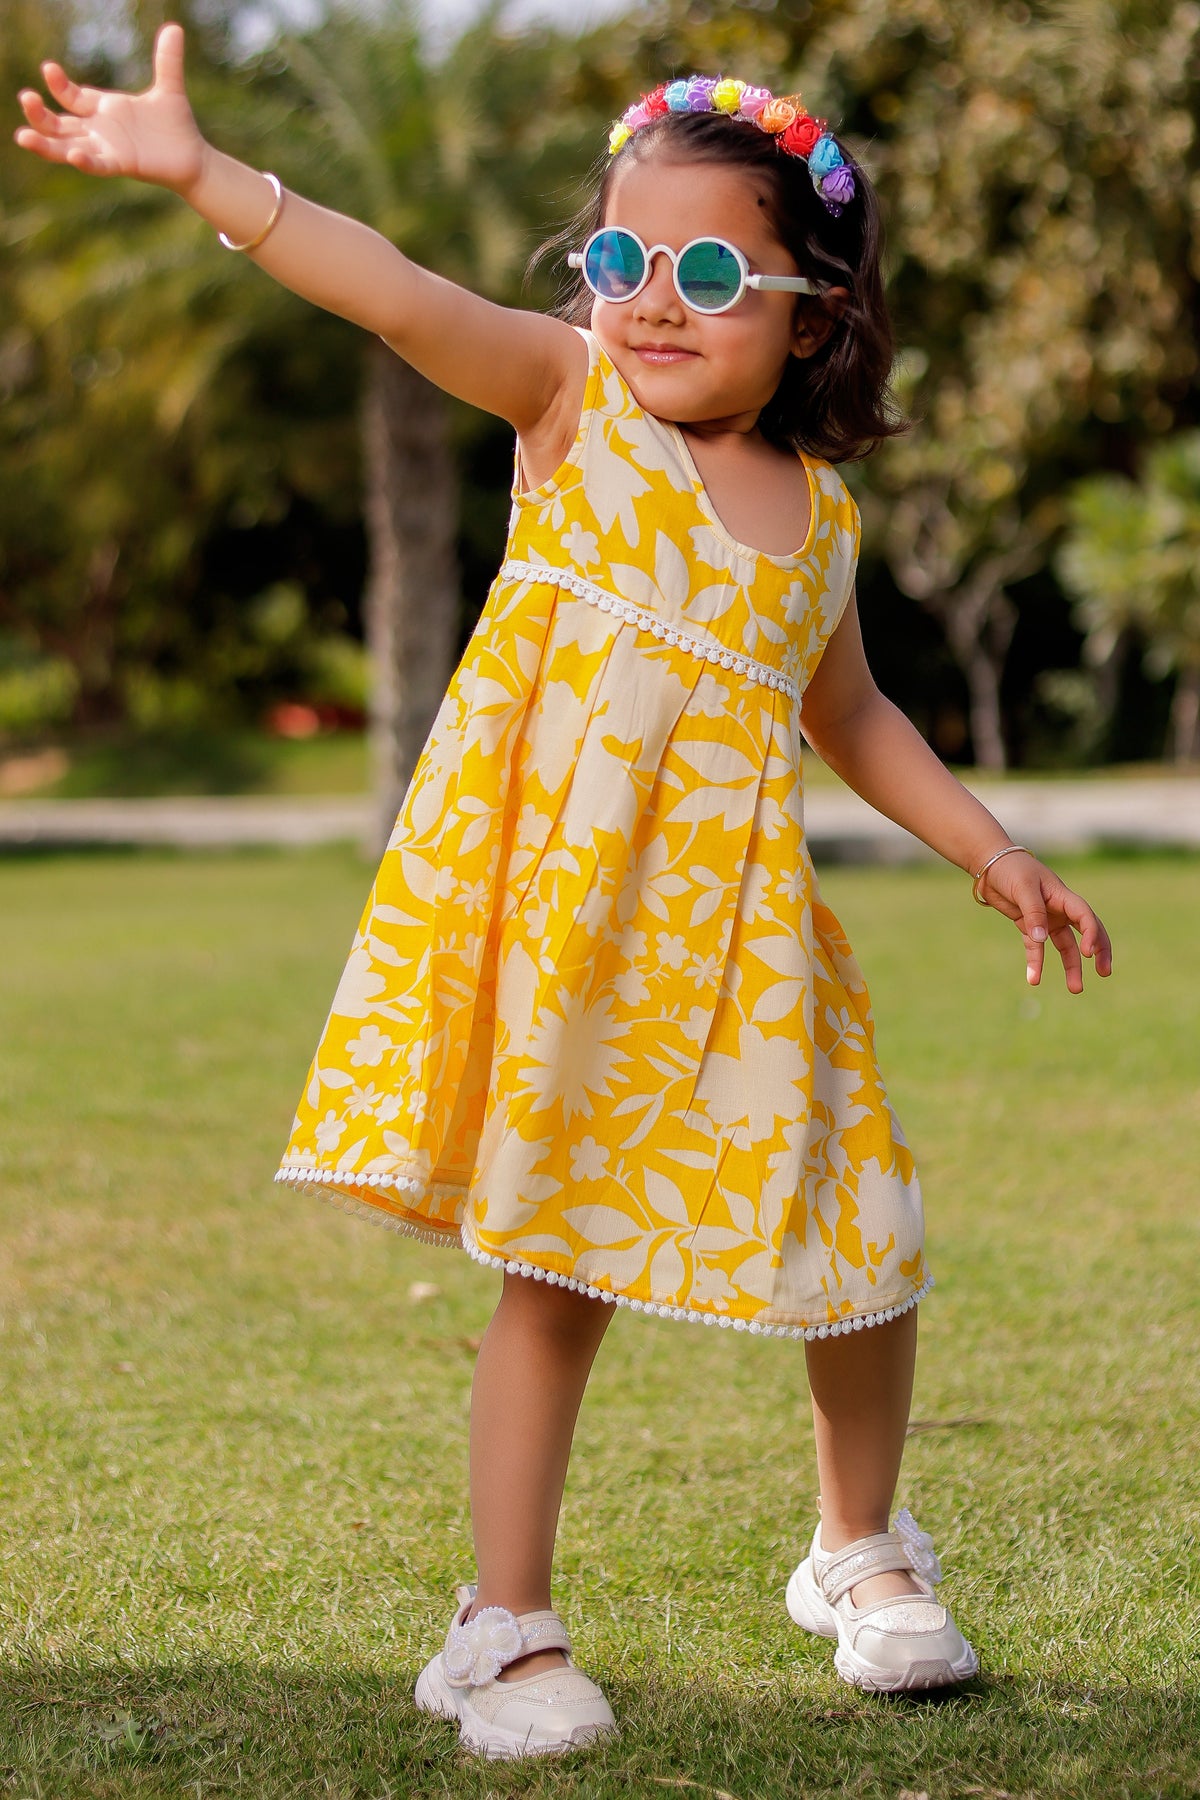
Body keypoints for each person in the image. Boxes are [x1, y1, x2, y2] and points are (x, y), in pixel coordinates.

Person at [16, 32, 1114, 1762]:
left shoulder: (818, 517)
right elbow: (391, 290)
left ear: (811, 312)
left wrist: (994, 849)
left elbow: (853, 718)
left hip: (745, 954)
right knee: (558, 1268)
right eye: (616, 260)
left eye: (698, 272)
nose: (646, 303)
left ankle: (857, 1549)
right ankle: (502, 1628)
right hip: (570, 938)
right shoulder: (569, 404)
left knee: (871, 1242)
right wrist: (209, 179)